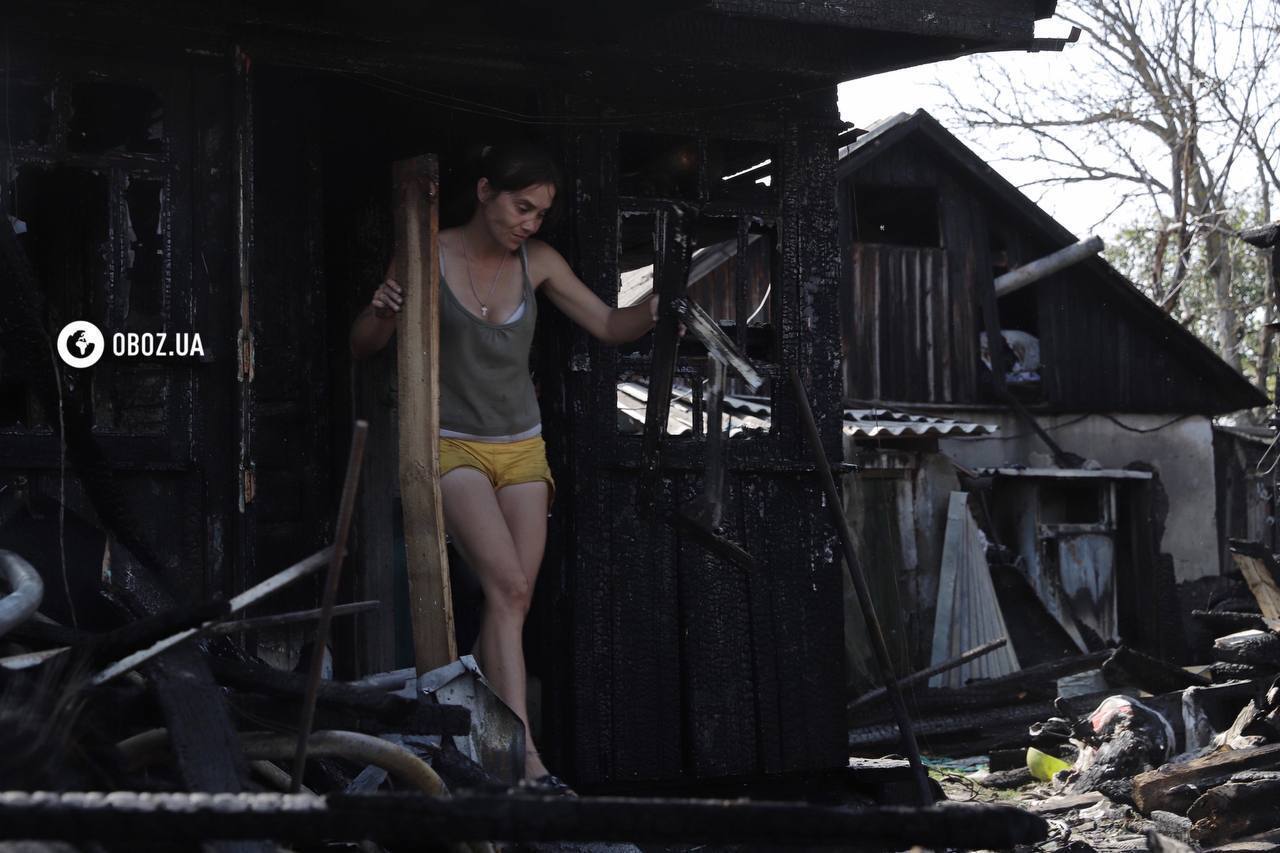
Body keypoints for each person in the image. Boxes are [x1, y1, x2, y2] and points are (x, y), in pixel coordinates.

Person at [350, 142, 660, 790]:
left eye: (541, 213)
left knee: (511, 598)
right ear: (486, 191)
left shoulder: (538, 261)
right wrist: (380, 311)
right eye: (523, 207)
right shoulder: (425, 251)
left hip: (522, 445)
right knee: (510, 587)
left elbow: (608, 323)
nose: (531, 223)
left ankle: (496, 748)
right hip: (451, 443)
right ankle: (528, 761)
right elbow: (364, 345)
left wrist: (665, 301)